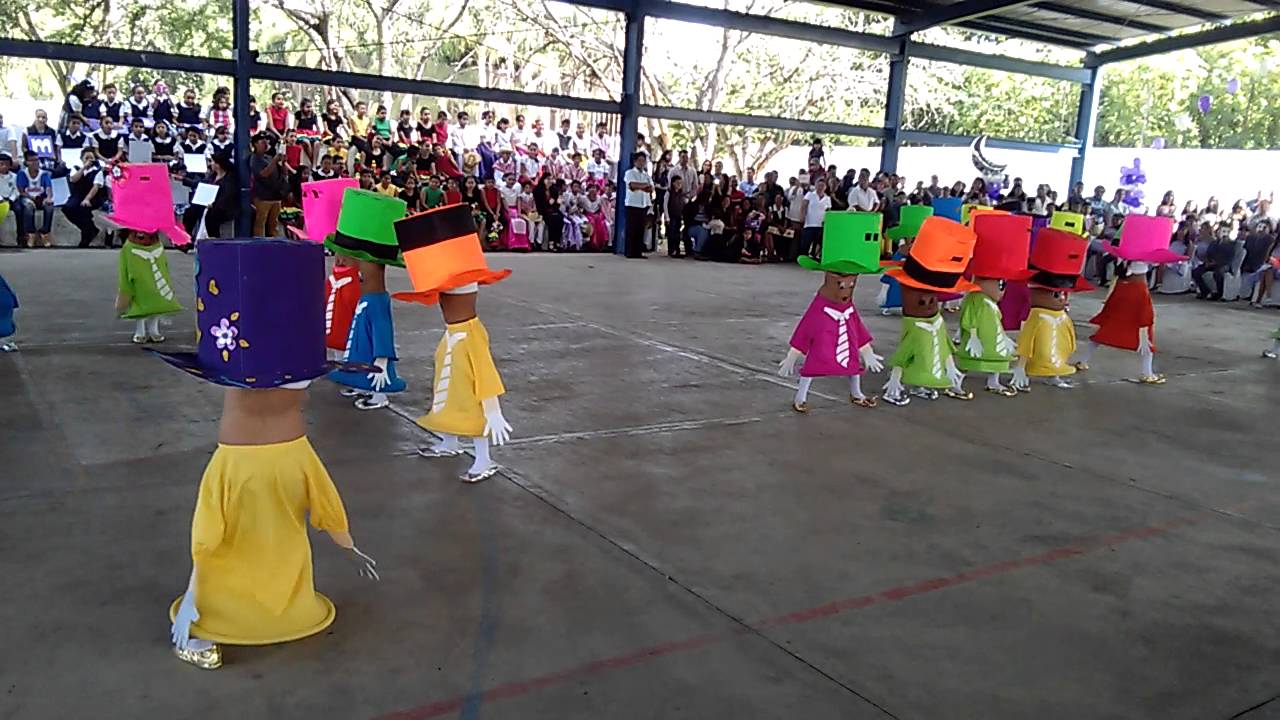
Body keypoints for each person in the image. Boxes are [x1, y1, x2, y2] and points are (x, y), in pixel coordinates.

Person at [152, 238, 379, 670]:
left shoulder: (249, 361)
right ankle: (232, 606)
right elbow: (324, 501)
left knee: (233, 538)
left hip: (255, 460)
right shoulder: (290, 357)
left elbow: (205, 536)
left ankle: (218, 608)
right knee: (268, 538)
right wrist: (342, 537)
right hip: (277, 459)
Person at [64, 146, 107, 247]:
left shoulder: (98, 171)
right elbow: (73, 179)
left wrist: (87, 199)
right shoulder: (76, 168)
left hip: (94, 196)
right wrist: (84, 168)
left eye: (91, 158)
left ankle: (86, 235)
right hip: (78, 194)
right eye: (86, 158)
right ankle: (90, 228)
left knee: (83, 208)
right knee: (68, 208)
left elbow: (96, 187)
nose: (89, 160)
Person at [250, 133, 286, 237]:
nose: (266, 144)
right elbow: (263, 174)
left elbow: (283, 173)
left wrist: (283, 163)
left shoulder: (269, 157)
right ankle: (259, 244)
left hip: (275, 195)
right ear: (255, 144)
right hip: (263, 197)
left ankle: (274, 244)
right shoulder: (255, 159)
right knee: (260, 223)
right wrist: (275, 161)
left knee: (274, 223)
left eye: (267, 141)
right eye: (262, 142)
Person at [15, 151, 53, 248]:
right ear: (27, 162)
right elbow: (21, 191)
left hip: (41, 197)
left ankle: (44, 232)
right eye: (32, 160)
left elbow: (48, 188)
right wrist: (32, 198)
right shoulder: (22, 173)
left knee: (49, 206)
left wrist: (48, 198)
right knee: (28, 207)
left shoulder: (44, 174)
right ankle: (30, 233)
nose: (35, 163)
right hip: (27, 197)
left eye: (37, 160)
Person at [1193, 224, 1238, 300]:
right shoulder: (1214, 242)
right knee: (1196, 272)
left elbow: (1229, 257)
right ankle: (1205, 291)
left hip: (1223, 264)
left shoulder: (1231, 244)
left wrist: (1216, 262)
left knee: (1218, 273)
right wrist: (1207, 261)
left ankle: (1219, 293)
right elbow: (1208, 253)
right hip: (1211, 263)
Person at [622, 151, 652, 259]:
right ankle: (629, 251)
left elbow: (650, 188)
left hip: (643, 204)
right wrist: (643, 186)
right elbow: (632, 185)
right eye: (639, 161)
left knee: (640, 229)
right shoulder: (629, 173)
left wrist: (642, 186)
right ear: (635, 162)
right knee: (631, 229)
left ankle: (638, 252)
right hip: (632, 204)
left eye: (643, 161)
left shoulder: (646, 175)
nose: (641, 163)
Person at [800, 178, 831, 260]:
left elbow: (828, 210)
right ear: (816, 185)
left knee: (818, 242)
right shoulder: (810, 194)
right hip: (810, 223)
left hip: (821, 223)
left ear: (825, 187)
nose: (820, 187)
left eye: (822, 185)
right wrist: (802, 216)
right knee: (806, 242)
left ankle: (815, 256)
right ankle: (803, 258)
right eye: (819, 185)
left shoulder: (827, 198)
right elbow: (804, 206)